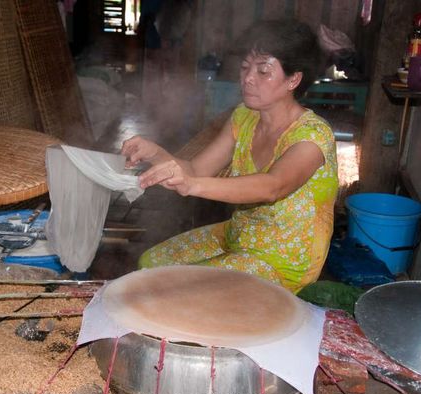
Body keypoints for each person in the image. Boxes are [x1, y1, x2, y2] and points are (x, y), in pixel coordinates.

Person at [121, 19, 338, 294]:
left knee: (179, 289)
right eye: (245, 67)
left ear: (293, 79)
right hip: (240, 236)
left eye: (263, 71)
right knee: (151, 263)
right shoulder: (244, 117)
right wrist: (155, 153)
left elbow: (273, 186)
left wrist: (191, 185)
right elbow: (196, 169)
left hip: (284, 262)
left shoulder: (314, 136)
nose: (248, 78)